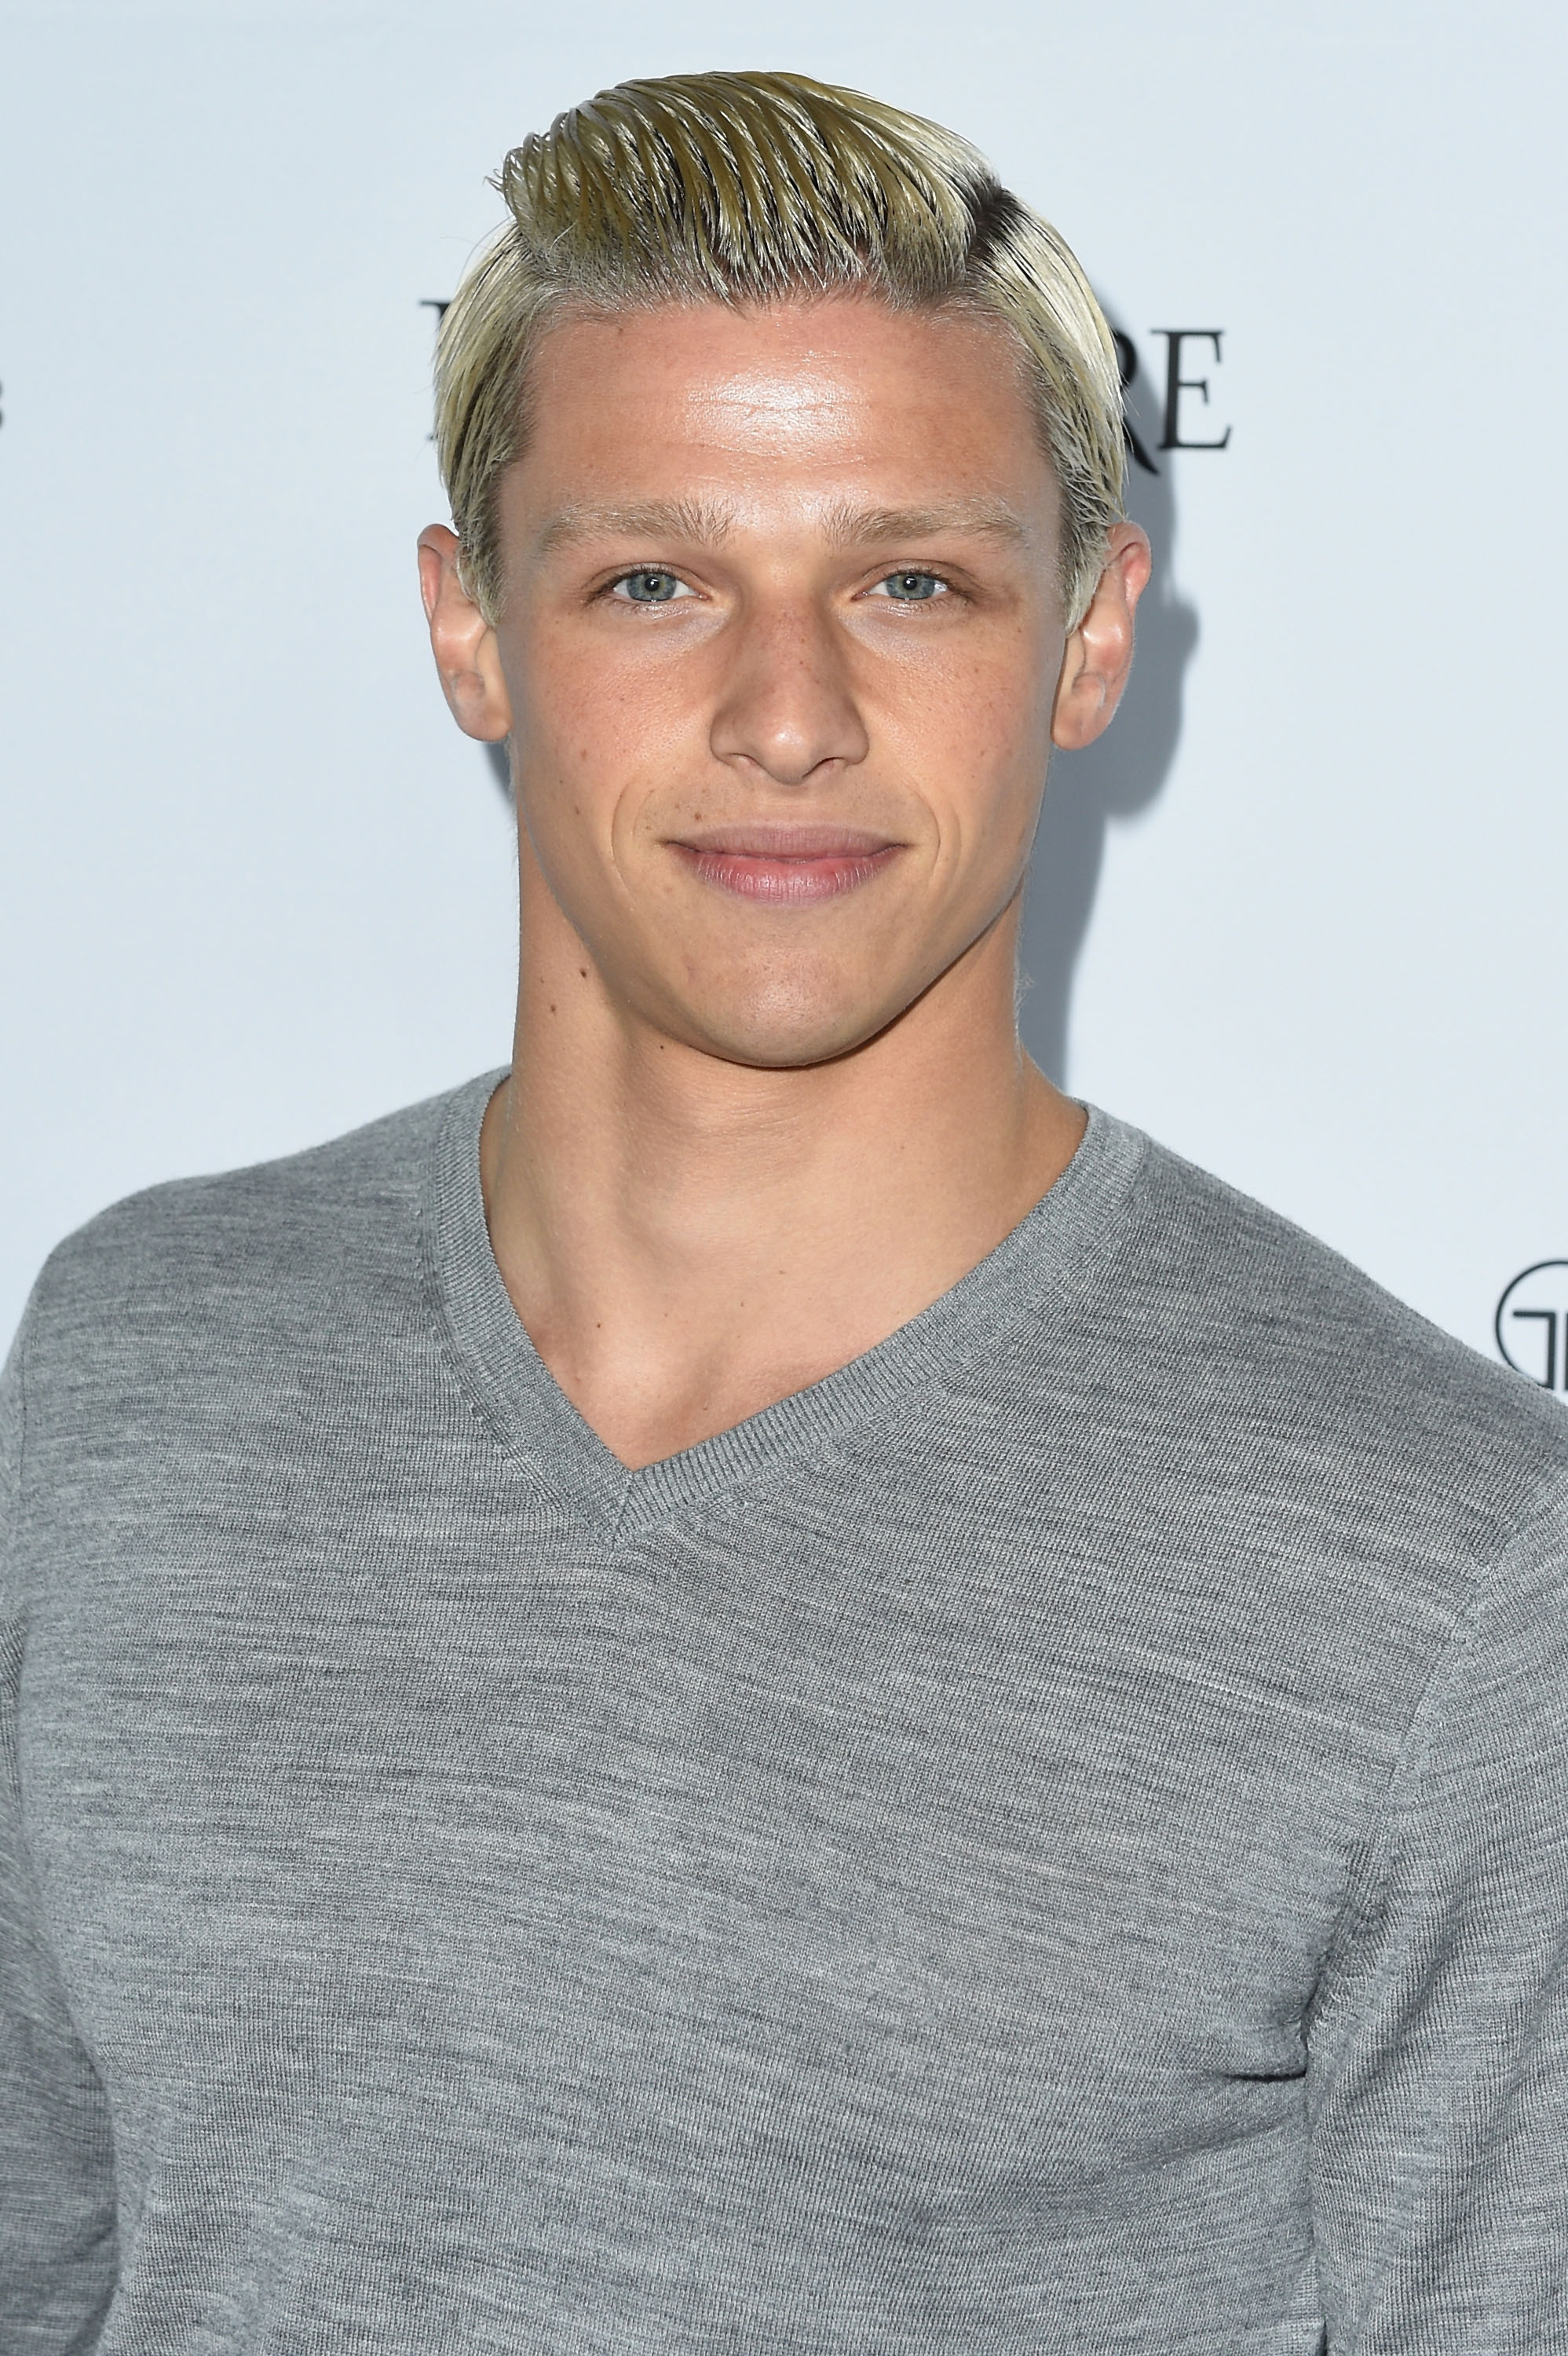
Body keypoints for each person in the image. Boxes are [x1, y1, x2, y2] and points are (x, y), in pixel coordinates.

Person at [2, 68, 1565, 2356]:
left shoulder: (1449, 1566)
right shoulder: (140, 1358)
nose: (790, 713)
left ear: (1093, 636)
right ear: (470, 631)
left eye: (909, 581)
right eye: (655, 580)